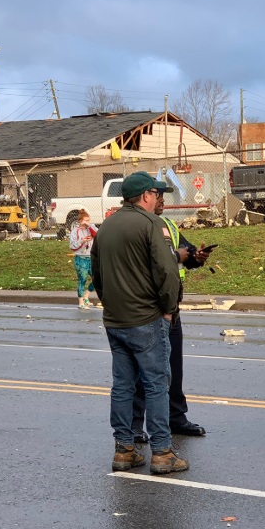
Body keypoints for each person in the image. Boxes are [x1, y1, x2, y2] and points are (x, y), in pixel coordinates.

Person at [90, 171, 188, 475]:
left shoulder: (105, 227)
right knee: (157, 383)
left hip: (116, 320)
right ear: (145, 195)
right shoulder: (152, 225)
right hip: (147, 317)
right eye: (157, 194)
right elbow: (168, 272)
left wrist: (110, 303)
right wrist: (169, 309)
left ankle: (125, 449)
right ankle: (162, 452)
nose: (159, 199)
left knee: (122, 385)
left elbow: (97, 275)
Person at [131, 187, 212, 443]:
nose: (162, 204)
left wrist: (196, 257)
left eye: (164, 201)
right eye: (159, 200)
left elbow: (185, 256)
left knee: (173, 369)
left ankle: (176, 418)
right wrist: (178, 256)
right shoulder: (138, 227)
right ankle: (135, 426)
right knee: (143, 373)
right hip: (149, 310)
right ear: (147, 198)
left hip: (172, 309)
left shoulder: (168, 226)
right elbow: (148, 261)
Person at [69, 209, 97, 309]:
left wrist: (89, 226)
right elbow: (72, 246)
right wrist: (82, 241)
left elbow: (97, 235)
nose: (88, 222)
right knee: (83, 279)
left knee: (97, 279)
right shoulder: (75, 231)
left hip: (91, 258)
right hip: (80, 259)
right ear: (80, 221)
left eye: (89, 220)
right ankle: (81, 302)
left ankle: (86, 296)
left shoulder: (91, 228)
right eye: (86, 220)